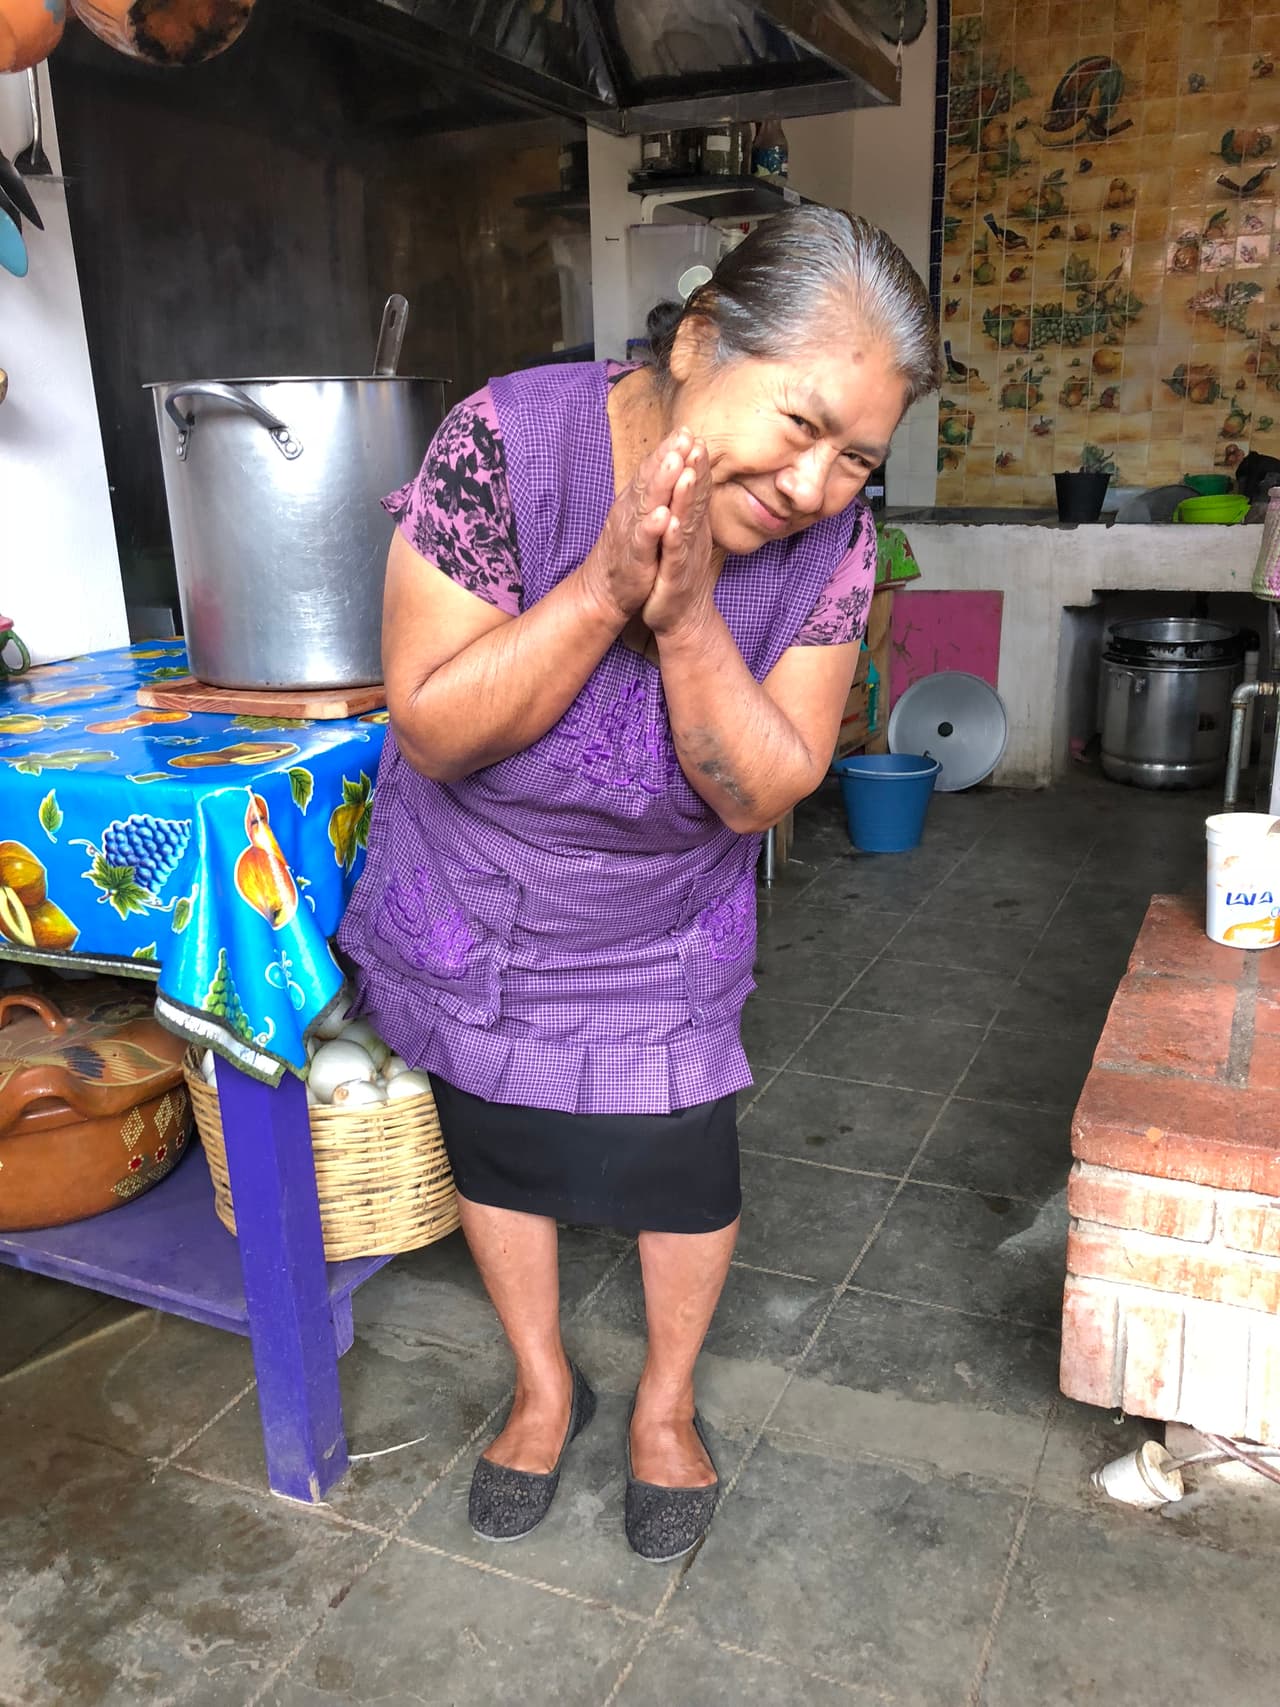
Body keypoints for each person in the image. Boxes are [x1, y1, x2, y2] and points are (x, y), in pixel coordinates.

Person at [339, 207, 939, 1561]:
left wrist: (684, 621)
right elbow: (432, 727)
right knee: (497, 1137)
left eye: (858, 457)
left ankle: (665, 1404)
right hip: (478, 891)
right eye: (801, 426)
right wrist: (605, 588)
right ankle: (544, 1387)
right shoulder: (502, 445)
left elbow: (761, 789)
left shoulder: (835, 546)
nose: (816, 486)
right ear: (700, 342)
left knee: (681, 1162)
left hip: (664, 910)